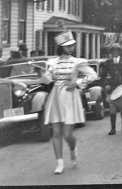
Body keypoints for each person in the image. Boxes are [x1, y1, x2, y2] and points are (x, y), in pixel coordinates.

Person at [37, 30, 98, 174]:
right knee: (56, 132)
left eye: (72, 45)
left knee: (68, 134)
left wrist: (77, 83)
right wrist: (40, 73)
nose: (71, 48)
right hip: (56, 97)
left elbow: (93, 75)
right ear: (61, 47)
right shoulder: (52, 62)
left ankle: (72, 149)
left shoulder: (78, 62)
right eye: (67, 45)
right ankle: (59, 163)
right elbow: (47, 80)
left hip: (70, 97)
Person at [102, 43, 122, 135]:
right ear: (111, 52)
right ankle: (113, 128)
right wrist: (106, 84)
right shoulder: (107, 63)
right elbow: (103, 76)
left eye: (117, 51)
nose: (115, 52)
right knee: (112, 107)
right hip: (111, 87)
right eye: (113, 51)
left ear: (119, 52)